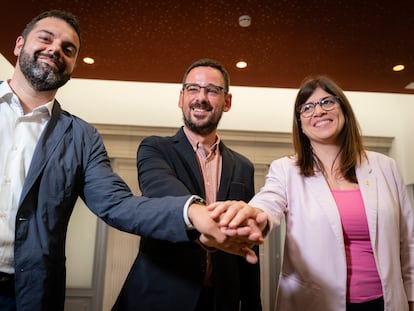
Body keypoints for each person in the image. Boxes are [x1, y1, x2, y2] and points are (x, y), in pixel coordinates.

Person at [0, 11, 262, 311]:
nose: (55, 50)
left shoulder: (81, 137)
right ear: (19, 45)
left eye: (68, 49)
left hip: (29, 297)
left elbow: (118, 204)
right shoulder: (156, 148)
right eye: (46, 38)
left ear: (72, 65)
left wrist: (193, 213)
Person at [210, 75, 414, 310]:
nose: (318, 111)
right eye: (307, 107)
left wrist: (411, 296)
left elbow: (407, 239)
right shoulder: (286, 169)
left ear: (344, 111)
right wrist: (253, 214)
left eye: (327, 102)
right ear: (300, 123)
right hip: (317, 302)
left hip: (386, 301)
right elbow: (268, 202)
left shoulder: (384, 166)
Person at [113, 59, 263, 311]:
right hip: (159, 297)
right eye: (193, 89)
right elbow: (162, 191)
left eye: (212, 90)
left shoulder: (243, 166)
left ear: (227, 102)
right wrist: (201, 220)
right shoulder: (155, 148)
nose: (201, 97)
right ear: (181, 98)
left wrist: (251, 305)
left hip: (220, 300)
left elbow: (249, 242)